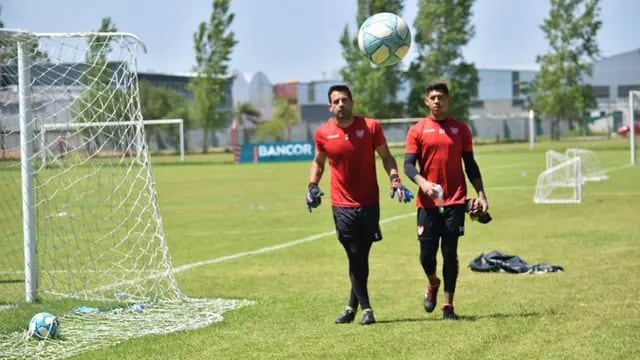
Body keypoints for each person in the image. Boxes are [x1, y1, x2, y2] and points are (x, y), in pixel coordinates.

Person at [306, 84, 413, 326]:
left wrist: (395, 177)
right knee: (354, 253)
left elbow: (386, 156)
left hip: (369, 202)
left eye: (345, 100)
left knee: (361, 256)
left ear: (352, 102)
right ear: (330, 106)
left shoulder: (371, 127)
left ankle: (350, 307)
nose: (341, 104)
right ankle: (367, 309)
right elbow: (318, 162)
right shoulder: (323, 133)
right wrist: (312, 184)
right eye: (336, 101)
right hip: (341, 204)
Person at [403, 81, 489, 320]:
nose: (437, 101)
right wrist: (422, 183)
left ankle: (448, 306)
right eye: (433, 98)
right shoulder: (417, 130)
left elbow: (470, 165)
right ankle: (433, 283)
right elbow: (408, 165)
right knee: (426, 256)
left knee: (450, 253)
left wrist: (481, 194)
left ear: (449, 100)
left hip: (454, 201)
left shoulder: (461, 130)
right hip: (428, 203)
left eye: (441, 97)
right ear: (427, 102)